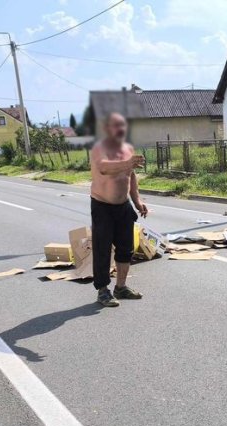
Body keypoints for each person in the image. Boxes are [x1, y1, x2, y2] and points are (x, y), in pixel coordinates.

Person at [89, 112, 148, 307]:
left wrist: (137, 202)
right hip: (102, 206)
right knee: (102, 249)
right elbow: (103, 168)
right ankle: (103, 291)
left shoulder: (128, 149)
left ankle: (120, 287)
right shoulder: (99, 148)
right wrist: (127, 163)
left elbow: (131, 177)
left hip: (123, 207)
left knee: (126, 249)